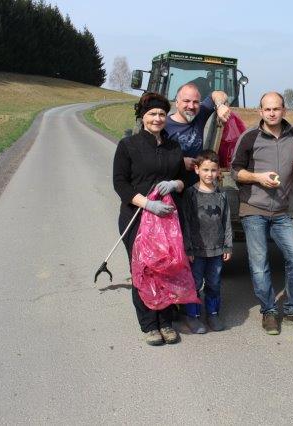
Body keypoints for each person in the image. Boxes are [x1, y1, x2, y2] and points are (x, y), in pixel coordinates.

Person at [231, 92, 293, 335]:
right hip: (253, 208)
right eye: (267, 109)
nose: (272, 113)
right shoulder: (249, 137)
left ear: (284, 110)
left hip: (281, 211)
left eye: (276, 109)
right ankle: (268, 311)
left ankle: (292, 310)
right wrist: (258, 177)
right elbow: (235, 171)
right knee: (260, 264)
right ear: (260, 111)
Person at [113, 92, 187, 346]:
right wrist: (148, 204)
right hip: (136, 216)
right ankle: (148, 324)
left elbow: (185, 179)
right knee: (143, 269)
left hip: (166, 219)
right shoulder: (128, 146)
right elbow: (120, 184)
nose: (157, 118)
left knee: (165, 268)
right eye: (152, 114)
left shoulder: (173, 146)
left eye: (161, 114)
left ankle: (165, 321)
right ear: (142, 117)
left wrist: (175, 183)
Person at [180, 149, 232, 333]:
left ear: (218, 171)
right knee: (194, 283)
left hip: (217, 249)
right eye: (205, 170)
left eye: (213, 170)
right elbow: (185, 222)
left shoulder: (222, 195)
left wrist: (228, 245)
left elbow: (226, 220)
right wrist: (188, 249)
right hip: (196, 250)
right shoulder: (190, 194)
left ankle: (212, 314)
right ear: (196, 170)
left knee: (214, 283)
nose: (209, 174)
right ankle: (192, 316)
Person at [165, 83, 231, 173]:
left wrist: (220, 106)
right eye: (186, 101)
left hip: (195, 183)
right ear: (177, 103)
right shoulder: (164, 126)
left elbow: (218, 94)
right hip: (171, 183)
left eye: (196, 102)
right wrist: (179, 162)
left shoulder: (199, 115)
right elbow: (152, 157)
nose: (191, 106)